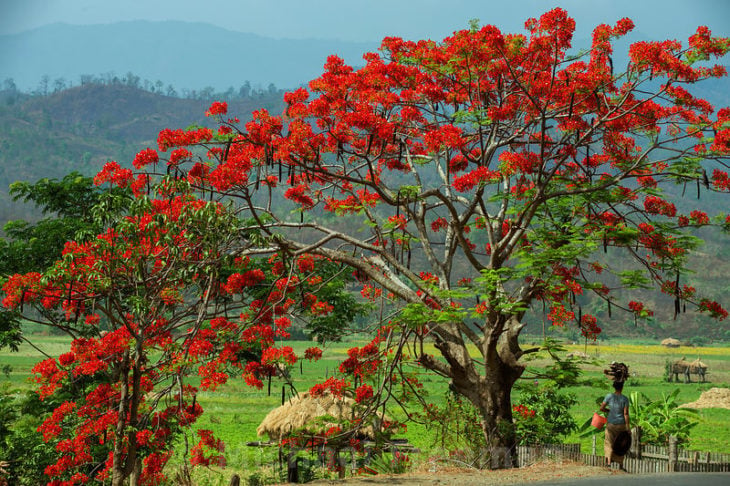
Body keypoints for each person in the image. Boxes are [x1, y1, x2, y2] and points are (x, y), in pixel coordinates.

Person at [599, 380, 630, 470]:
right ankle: (620, 465)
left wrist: (608, 411)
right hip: (621, 425)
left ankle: (608, 463)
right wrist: (627, 427)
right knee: (621, 445)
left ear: (614, 387)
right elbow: (626, 414)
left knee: (609, 443)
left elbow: (601, 408)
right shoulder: (625, 399)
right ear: (622, 387)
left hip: (611, 425)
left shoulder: (609, 396)